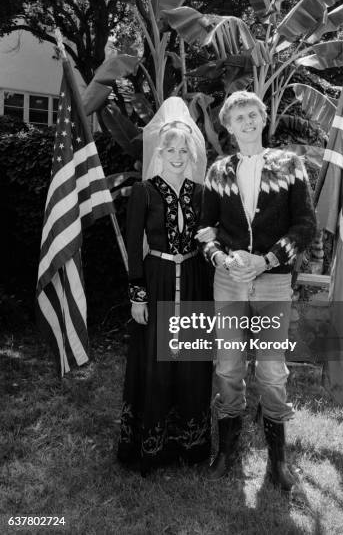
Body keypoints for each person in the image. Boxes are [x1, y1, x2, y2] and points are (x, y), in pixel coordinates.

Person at [197, 91, 316, 490]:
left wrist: (265, 260)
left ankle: (277, 460)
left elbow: (305, 225)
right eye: (238, 117)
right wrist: (222, 259)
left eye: (253, 115)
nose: (247, 122)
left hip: (273, 280)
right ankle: (227, 452)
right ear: (228, 127)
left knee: (270, 371)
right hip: (229, 280)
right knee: (228, 366)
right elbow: (207, 230)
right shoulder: (217, 172)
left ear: (263, 119)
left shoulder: (290, 165)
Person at [117, 97, 213, 476]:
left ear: (192, 153)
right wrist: (137, 295)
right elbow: (132, 246)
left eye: (183, 149)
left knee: (189, 362)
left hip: (192, 282)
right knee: (155, 362)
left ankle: (188, 446)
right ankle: (150, 447)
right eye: (170, 149)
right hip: (155, 281)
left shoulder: (201, 194)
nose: (177, 155)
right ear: (161, 152)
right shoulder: (144, 192)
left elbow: (208, 242)